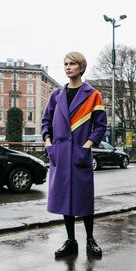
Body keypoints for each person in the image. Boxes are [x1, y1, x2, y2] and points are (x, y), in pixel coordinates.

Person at [41, 51, 107, 258]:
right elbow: (45, 122)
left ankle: (90, 240)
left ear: (81, 67)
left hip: (80, 153)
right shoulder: (56, 95)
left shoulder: (92, 94)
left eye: (72, 64)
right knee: (65, 200)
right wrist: (48, 143)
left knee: (84, 199)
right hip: (60, 154)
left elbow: (101, 125)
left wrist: (87, 145)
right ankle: (71, 241)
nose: (68, 67)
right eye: (65, 64)